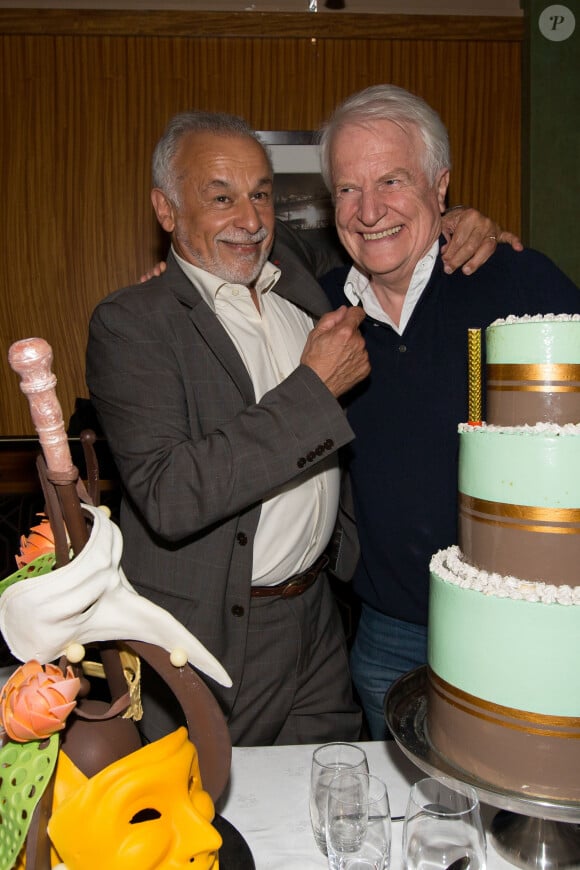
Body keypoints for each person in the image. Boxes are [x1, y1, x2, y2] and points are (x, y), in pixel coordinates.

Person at [86, 110, 518, 747]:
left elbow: (386, 226)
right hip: (213, 636)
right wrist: (315, 388)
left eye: (261, 193)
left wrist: (460, 218)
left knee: (328, 801)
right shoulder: (134, 324)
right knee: (204, 826)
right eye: (220, 196)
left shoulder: (305, 288)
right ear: (167, 209)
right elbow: (170, 495)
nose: (250, 218)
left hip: (320, 624)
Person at [318, 84, 579, 739]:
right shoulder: (317, 310)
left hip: (517, 629)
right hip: (387, 633)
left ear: (441, 189)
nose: (369, 209)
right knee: (403, 826)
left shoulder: (519, 283)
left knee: (508, 816)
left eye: (393, 180)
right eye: (348, 189)